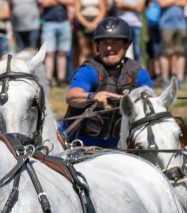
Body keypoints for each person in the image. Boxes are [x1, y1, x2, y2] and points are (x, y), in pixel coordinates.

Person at [63, 16, 153, 147]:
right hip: (81, 145)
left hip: (121, 146)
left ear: (126, 45)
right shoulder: (90, 70)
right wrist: (93, 97)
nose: (109, 48)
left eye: (115, 42)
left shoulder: (138, 73)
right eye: (104, 42)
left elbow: (151, 107)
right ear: (97, 46)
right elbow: (71, 96)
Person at [158, 0, 187, 87]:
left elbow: (184, 3)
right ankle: (165, 79)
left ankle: (180, 79)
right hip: (166, 25)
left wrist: (169, 2)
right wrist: (176, 1)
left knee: (180, 52)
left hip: (181, 25)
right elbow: (162, 3)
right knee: (166, 53)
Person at [73, 0, 107, 66]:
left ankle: (98, 70)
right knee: (84, 51)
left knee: (97, 51)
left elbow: (103, 10)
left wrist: (95, 23)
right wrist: (87, 24)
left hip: (96, 22)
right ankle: (83, 70)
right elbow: (77, 11)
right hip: (82, 23)